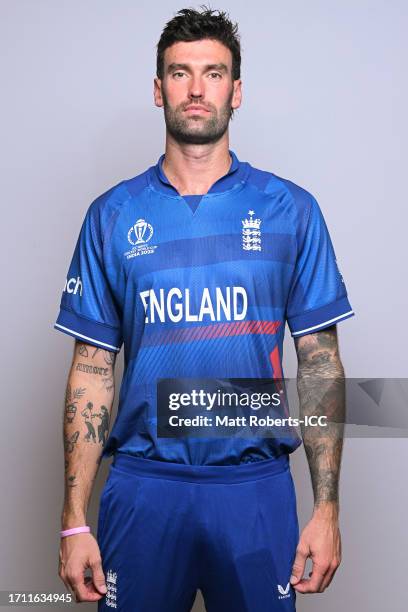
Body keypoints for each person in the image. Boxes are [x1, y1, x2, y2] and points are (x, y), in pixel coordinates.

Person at [55, 7, 355, 611]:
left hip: (254, 489)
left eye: (213, 73)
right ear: (158, 87)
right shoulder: (111, 215)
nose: (196, 89)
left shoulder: (290, 209)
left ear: (236, 90)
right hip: (143, 487)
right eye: (180, 73)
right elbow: (91, 369)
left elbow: (320, 364)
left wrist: (326, 508)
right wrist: (73, 519)